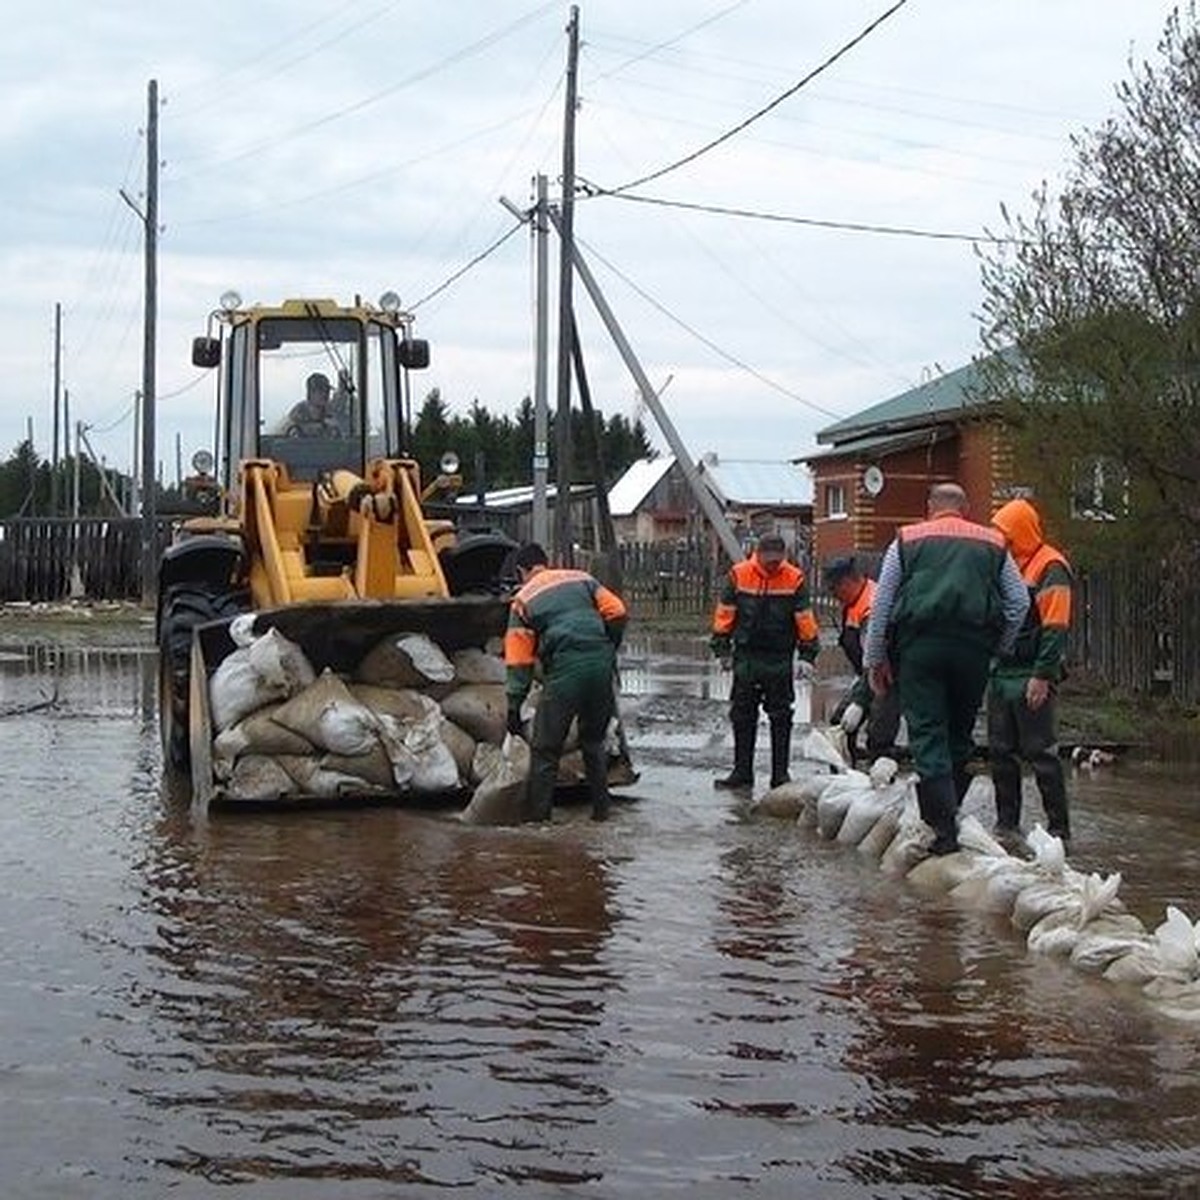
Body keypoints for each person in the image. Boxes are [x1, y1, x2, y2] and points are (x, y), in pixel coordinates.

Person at [863, 482, 1029, 855]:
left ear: (929, 508)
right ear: (966, 509)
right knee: (959, 735)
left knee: (927, 734)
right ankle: (947, 817)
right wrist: (997, 648)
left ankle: (942, 833)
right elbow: (1018, 603)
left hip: (921, 649)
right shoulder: (993, 543)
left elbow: (883, 603)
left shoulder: (906, 540)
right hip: (973, 650)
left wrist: (876, 659)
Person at [503, 542, 628, 823]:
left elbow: (519, 660)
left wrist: (514, 705)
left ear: (522, 571)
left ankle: (540, 823)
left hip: (565, 673)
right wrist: (608, 646)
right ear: (545, 563)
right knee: (594, 742)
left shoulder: (523, 600)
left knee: (546, 750)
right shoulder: (581, 578)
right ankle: (601, 814)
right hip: (600, 667)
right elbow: (617, 611)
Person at [987, 497, 1074, 846]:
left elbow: (1055, 627)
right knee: (1000, 751)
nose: (1000, 541)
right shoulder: (1006, 566)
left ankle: (1059, 831)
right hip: (1003, 671)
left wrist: (1042, 675)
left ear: (1019, 533)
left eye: (1005, 534)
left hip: (1031, 672)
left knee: (1041, 754)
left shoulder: (1050, 566)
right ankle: (1007, 825)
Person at [710, 532, 821, 792]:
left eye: (777, 559)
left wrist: (807, 655)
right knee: (742, 714)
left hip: (779, 657)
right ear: (757, 554)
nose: (772, 564)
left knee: (781, 715)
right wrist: (722, 648)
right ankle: (742, 772)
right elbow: (725, 614)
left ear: (783, 556)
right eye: (768, 559)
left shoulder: (794, 578)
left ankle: (780, 775)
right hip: (747, 656)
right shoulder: (739, 575)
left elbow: (804, 618)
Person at [824, 555, 902, 759]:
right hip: (869, 675)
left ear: (849, 581)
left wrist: (859, 701)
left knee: (879, 736)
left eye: (834, 589)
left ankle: (881, 763)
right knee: (840, 722)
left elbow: (877, 661)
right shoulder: (854, 602)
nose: (833, 596)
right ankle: (850, 760)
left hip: (889, 677)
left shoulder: (872, 607)